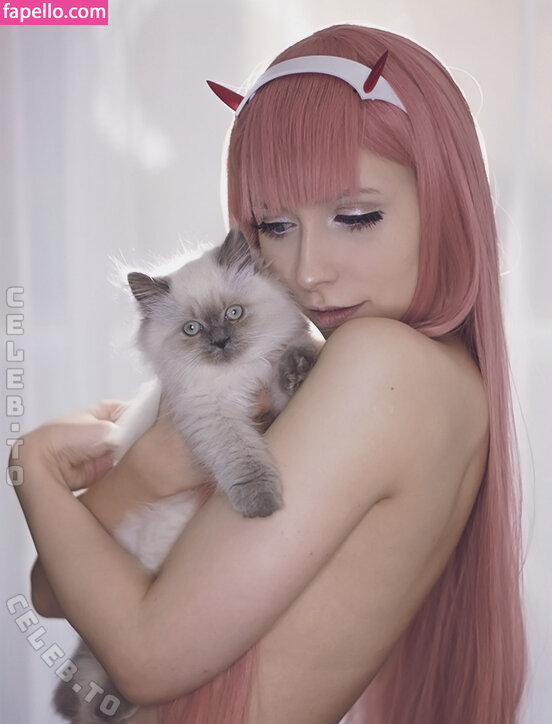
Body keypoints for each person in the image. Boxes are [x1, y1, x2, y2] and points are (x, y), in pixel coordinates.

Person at [11, 23, 527, 724]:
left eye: (356, 216)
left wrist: (35, 470)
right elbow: (54, 590)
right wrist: (142, 477)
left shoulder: (383, 362)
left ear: (446, 201)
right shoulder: (422, 376)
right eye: (275, 227)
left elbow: (144, 659)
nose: (307, 271)